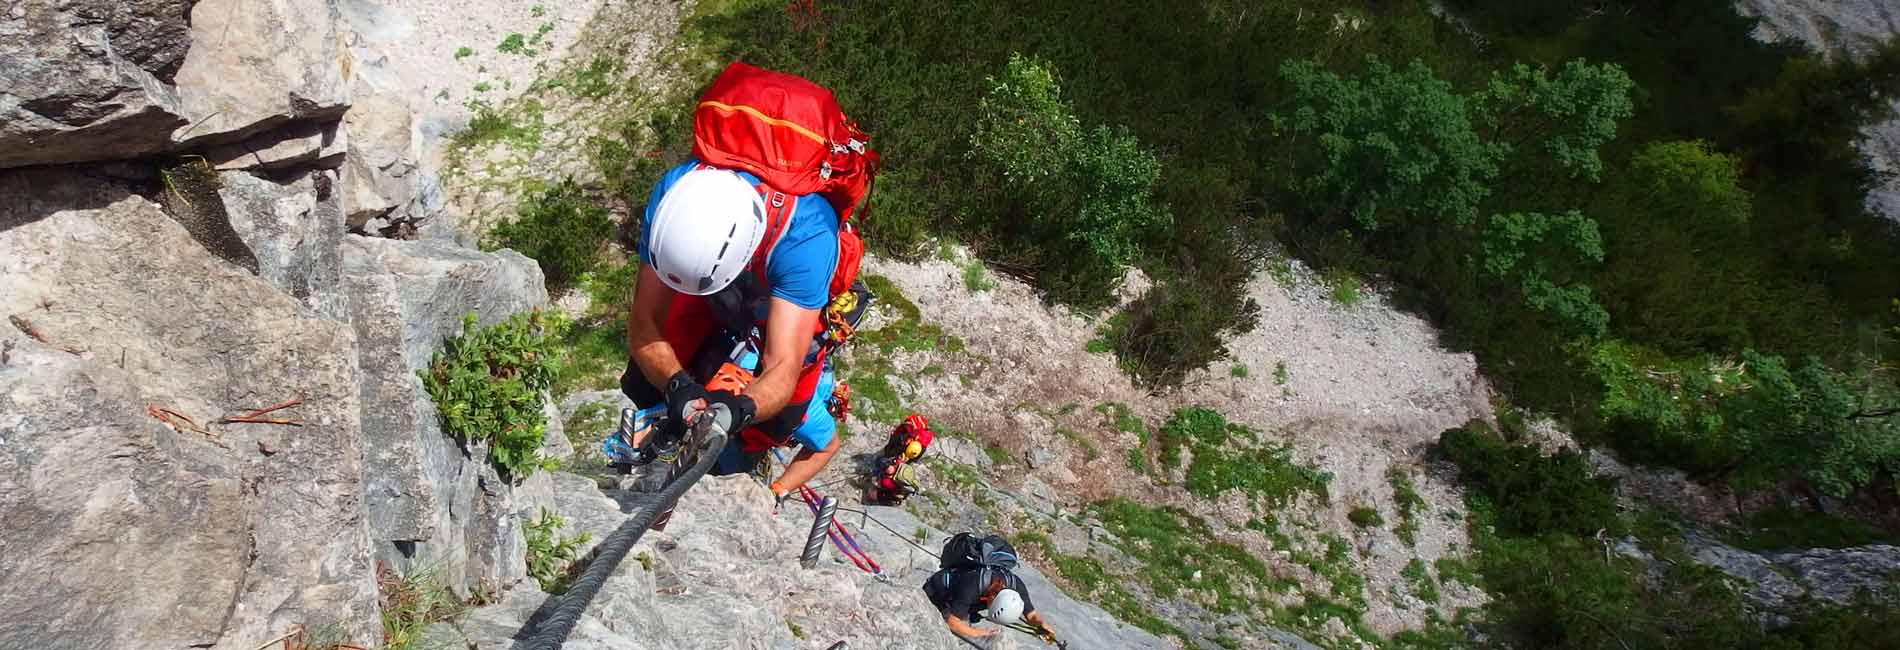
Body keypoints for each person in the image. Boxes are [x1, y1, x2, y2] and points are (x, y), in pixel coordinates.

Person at [618, 162, 844, 504]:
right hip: (718, 291)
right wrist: (675, 384)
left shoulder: (808, 237)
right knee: (644, 378)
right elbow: (643, 321)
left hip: (783, 285)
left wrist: (741, 410)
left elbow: (784, 364)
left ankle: (731, 464)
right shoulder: (675, 192)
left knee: (779, 420)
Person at [924, 534, 1057, 643]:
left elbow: (1032, 615)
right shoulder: (973, 585)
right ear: (991, 601)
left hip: (967, 598)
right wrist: (981, 634)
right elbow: (952, 622)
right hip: (938, 591)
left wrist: (1042, 626)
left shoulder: (1016, 585)